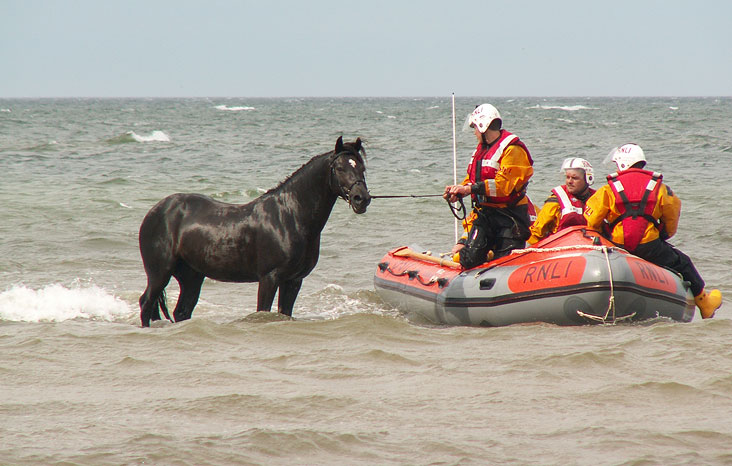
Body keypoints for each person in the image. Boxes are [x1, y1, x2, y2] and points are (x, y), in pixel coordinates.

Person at [584, 143, 722, 318]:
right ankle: (705, 303)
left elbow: (592, 218)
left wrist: (603, 233)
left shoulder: (609, 188)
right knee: (683, 263)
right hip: (649, 246)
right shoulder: (659, 187)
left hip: (617, 244)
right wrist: (664, 235)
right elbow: (672, 216)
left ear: (622, 164)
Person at [444, 104, 534, 268]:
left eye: (475, 128)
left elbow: (503, 186)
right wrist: (459, 191)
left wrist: (469, 189)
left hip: (509, 216)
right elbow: (472, 180)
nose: (474, 132)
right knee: (468, 259)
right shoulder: (481, 150)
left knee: (506, 261)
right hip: (486, 215)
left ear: (483, 127)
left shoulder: (512, 149)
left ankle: (494, 256)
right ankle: (485, 255)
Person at [528, 157, 596, 244]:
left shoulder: (597, 199)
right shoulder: (556, 201)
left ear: (588, 179)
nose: (569, 182)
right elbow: (537, 233)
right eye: (568, 177)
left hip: (592, 245)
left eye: (575, 178)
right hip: (562, 246)